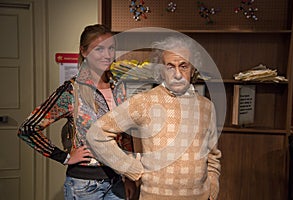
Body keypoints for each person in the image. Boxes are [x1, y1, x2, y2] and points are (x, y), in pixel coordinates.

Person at [86, 35, 222, 200]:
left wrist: (213, 182)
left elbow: (213, 155)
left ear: (193, 69)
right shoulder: (144, 101)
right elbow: (97, 134)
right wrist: (130, 166)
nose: (177, 74)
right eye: (170, 66)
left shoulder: (206, 106)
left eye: (184, 66)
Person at [18, 24, 136, 200]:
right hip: (84, 186)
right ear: (84, 52)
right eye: (99, 49)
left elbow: (126, 136)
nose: (107, 55)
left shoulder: (119, 88)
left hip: (116, 182)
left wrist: (129, 177)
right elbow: (28, 129)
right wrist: (65, 157)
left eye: (111, 48)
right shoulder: (72, 91)